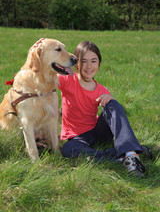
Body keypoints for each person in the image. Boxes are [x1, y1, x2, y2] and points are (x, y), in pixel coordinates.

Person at [58, 41, 152, 177]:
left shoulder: (102, 89)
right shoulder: (67, 79)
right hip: (77, 138)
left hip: (98, 132)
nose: (89, 66)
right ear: (76, 63)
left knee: (112, 103)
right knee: (68, 150)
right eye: (83, 61)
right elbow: (43, 78)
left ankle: (131, 156)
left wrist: (109, 100)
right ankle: (121, 155)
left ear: (99, 63)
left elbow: (112, 114)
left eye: (93, 61)